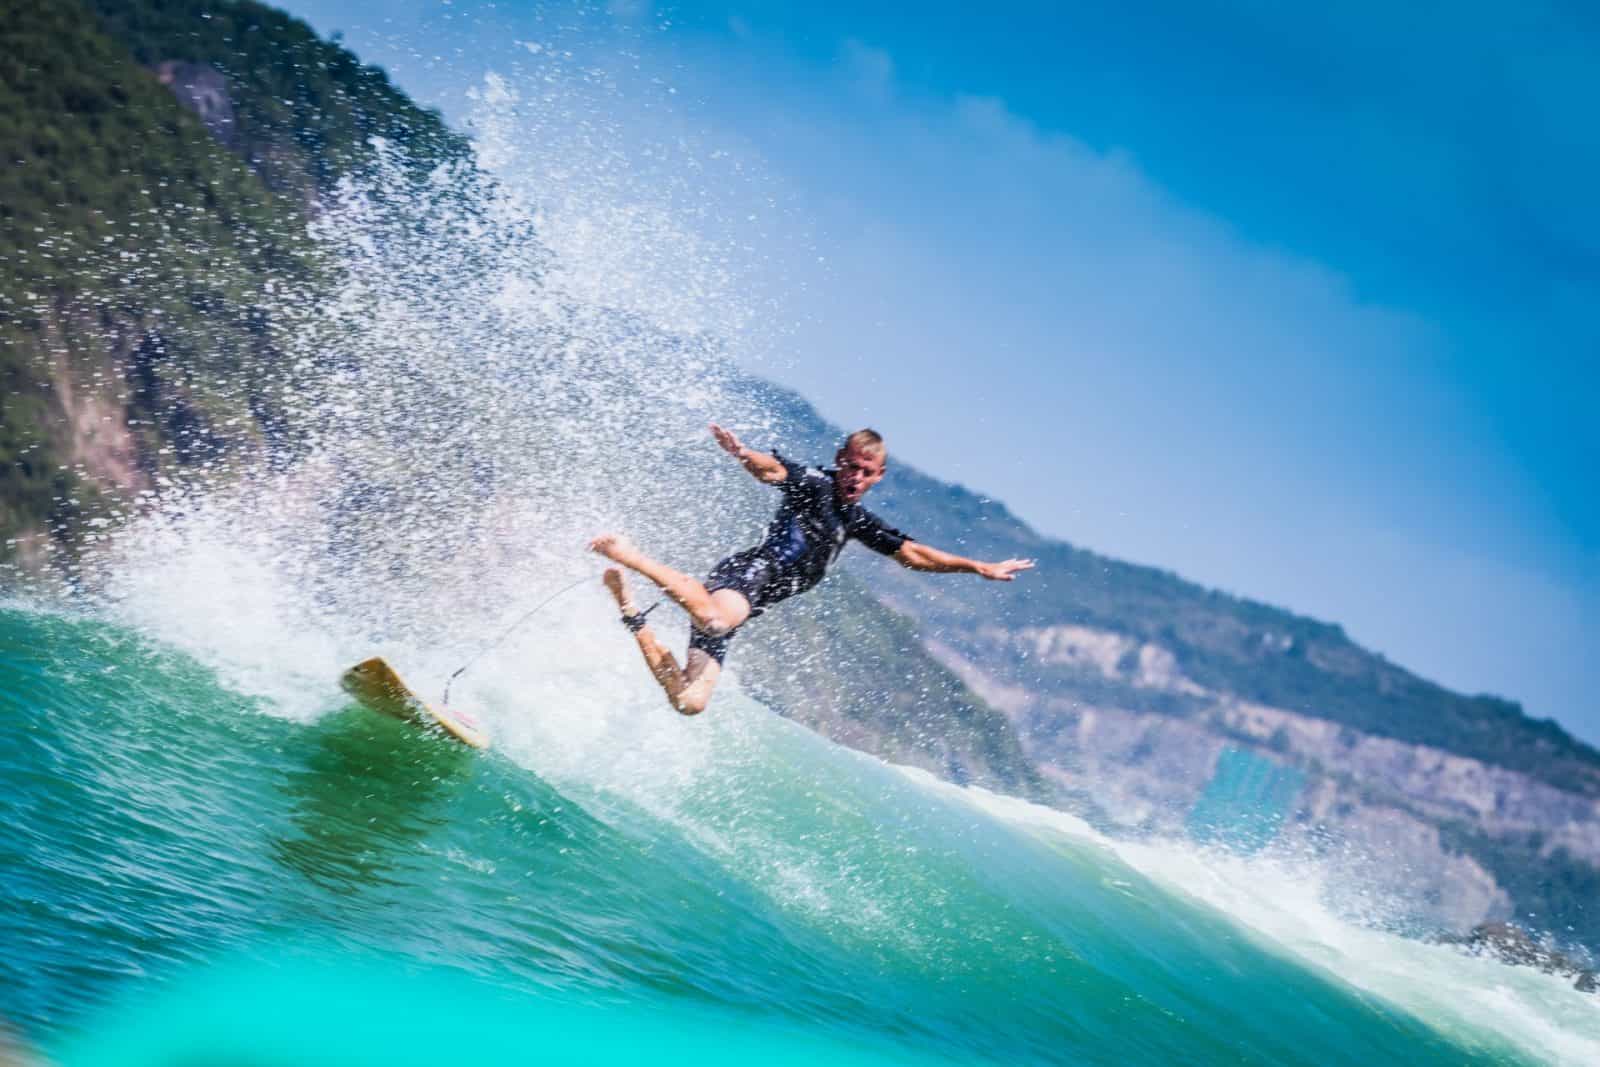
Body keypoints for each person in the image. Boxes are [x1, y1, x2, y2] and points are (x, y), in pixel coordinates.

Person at [589, 425, 1034, 715]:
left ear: (879, 476)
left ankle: (630, 611)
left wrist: (977, 567)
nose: (855, 477)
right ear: (840, 459)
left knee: (690, 701)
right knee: (712, 616)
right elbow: (773, 470)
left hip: (752, 604)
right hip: (749, 575)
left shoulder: (858, 521)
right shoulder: (813, 483)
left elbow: (913, 555)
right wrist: (745, 453)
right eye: (851, 466)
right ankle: (629, 554)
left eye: (866, 473)